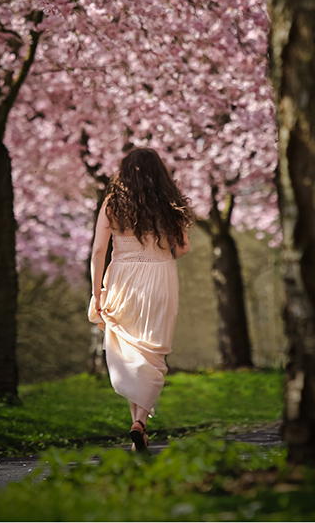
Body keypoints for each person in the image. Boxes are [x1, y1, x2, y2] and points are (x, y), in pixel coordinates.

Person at [88, 146, 193, 453]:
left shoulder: (112, 204)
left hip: (122, 278)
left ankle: (138, 425)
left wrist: (97, 293)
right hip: (160, 276)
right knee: (153, 353)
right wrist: (159, 253)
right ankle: (140, 425)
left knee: (130, 349)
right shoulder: (168, 204)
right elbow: (183, 248)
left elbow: (98, 251)